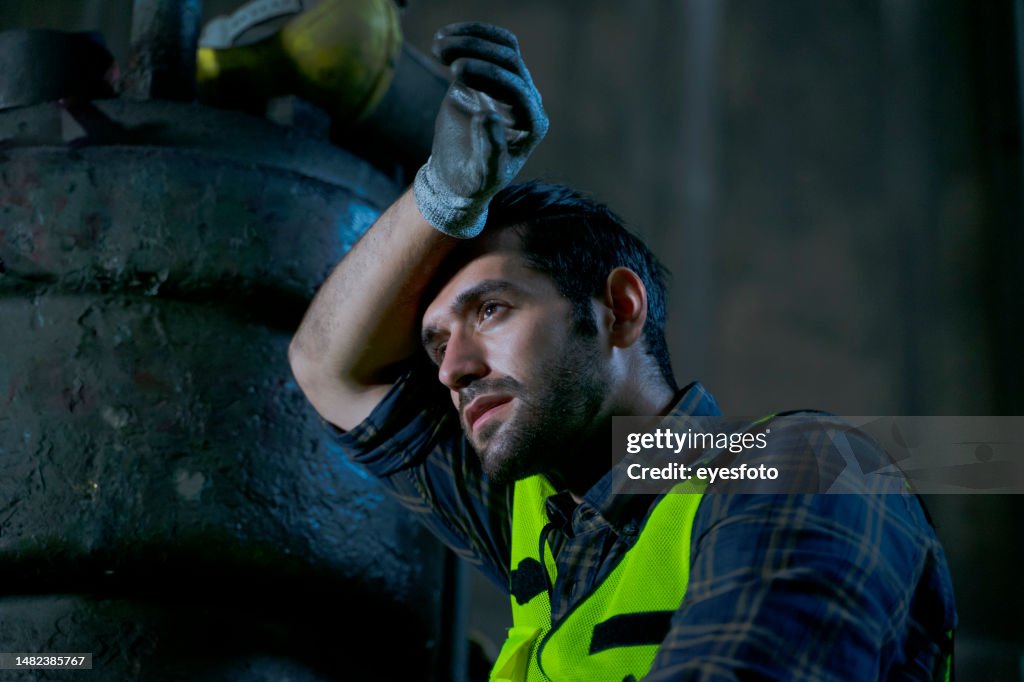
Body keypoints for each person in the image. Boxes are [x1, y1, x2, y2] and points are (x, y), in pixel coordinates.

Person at [289, 22, 957, 681]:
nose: (454, 368)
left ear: (620, 309)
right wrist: (443, 196)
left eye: (491, 311)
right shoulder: (544, 519)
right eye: (436, 342)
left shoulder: (804, 470)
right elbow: (326, 367)